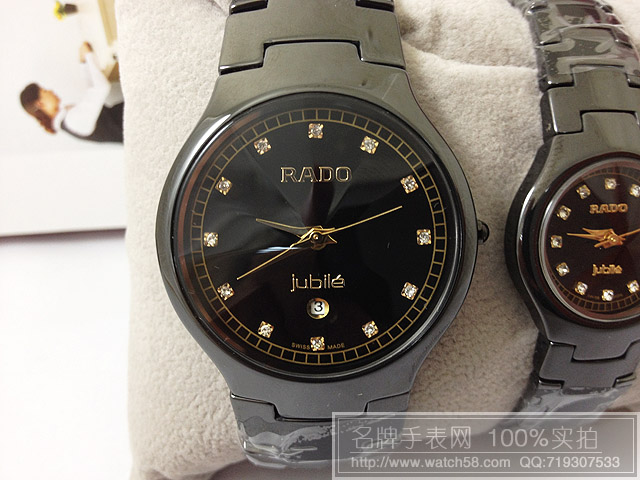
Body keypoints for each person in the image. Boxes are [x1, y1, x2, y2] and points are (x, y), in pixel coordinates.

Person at [20, 42, 123, 143]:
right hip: (131, 122)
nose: (50, 91)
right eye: (45, 91)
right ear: (40, 103)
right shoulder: (73, 121)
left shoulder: (68, 120)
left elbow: (92, 92)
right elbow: (101, 88)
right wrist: (88, 56)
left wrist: (84, 63)